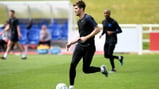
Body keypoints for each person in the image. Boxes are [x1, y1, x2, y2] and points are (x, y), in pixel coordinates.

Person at [66, 1, 108, 89]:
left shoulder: (88, 18)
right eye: (74, 8)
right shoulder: (79, 21)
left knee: (86, 70)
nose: (75, 10)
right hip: (80, 46)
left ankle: (101, 69)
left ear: (81, 9)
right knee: (72, 64)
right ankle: (71, 86)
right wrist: (71, 42)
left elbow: (97, 29)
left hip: (89, 47)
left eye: (76, 8)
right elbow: (81, 36)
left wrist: (86, 37)